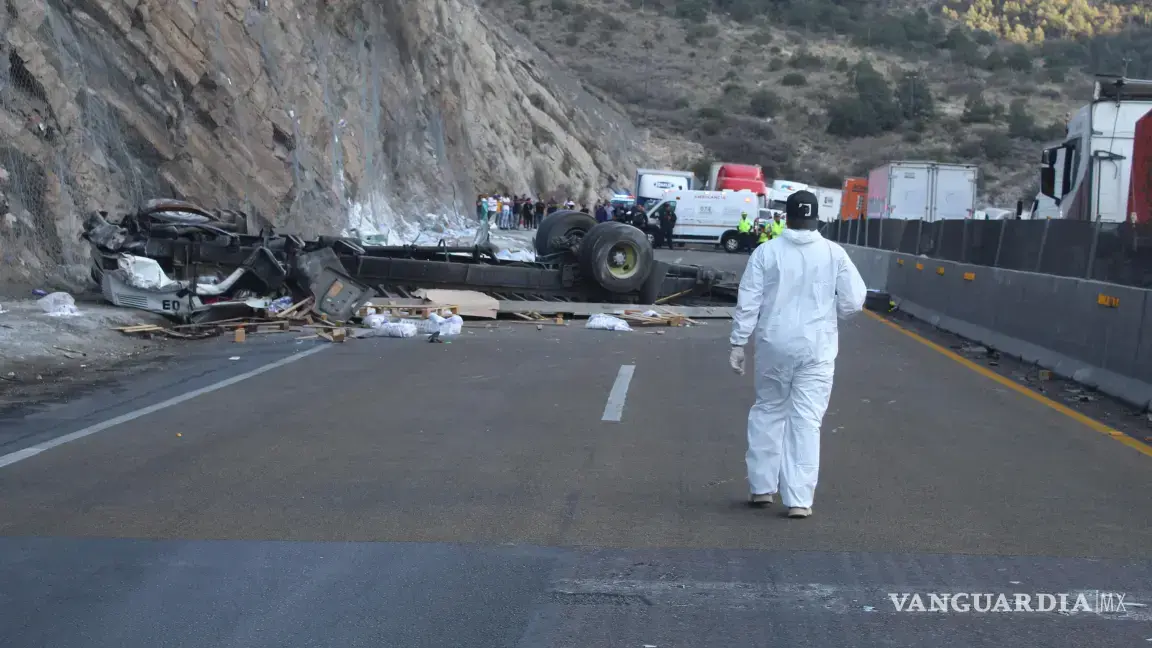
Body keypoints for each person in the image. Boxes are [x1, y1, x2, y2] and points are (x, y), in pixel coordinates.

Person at [727, 190, 866, 519]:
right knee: (806, 421)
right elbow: (853, 301)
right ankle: (799, 499)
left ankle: (762, 488)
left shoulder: (766, 252)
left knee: (768, 411)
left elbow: (749, 301)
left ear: (785, 218)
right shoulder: (834, 254)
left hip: (774, 345)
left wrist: (738, 343)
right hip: (816, 348)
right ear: (816, 219)